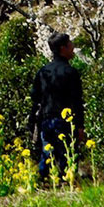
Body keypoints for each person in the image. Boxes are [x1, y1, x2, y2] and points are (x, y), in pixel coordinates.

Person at [28, 32, 85, 180]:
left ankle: (43, 184)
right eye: (70, 44)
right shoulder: (71, 73)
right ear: (63, 48)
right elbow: (77, 101)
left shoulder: (43, 71)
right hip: (66, 122)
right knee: (68, 155)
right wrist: (80, 126)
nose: (73, 47)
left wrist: (32, 123)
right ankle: (67, 185)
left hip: (46, 119)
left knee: (47, 155)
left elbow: (35, 98)